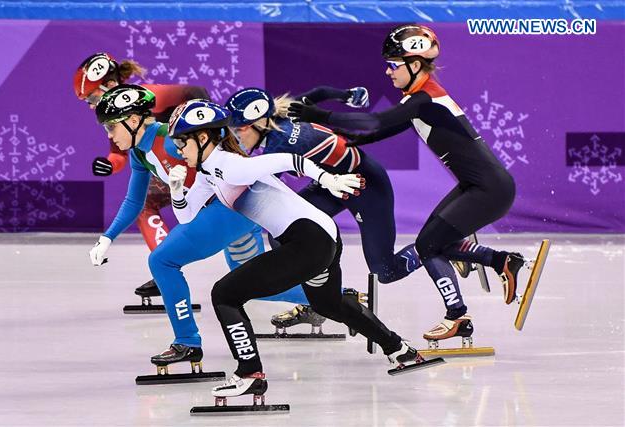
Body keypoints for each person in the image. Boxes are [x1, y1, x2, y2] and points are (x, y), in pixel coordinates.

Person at [167, 99, 439, 399]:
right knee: (328, 304)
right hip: (321, 237)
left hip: (308, 240)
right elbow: (186, 216)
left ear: (202, 138)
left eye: (181, 142)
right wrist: (176, 190)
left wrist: (328, 179)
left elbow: (289, 159)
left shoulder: (230, 165)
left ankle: (249, 373)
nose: (179, 150)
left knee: (224, 294)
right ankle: (400, 349)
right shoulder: (208, 173)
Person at [286, 24, 526, 342]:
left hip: (488, 190)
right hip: (477, 186)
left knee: (427, 245)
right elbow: (370, 133)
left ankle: (457, 316)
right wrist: (325, 136)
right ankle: (500, 261)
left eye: (393, 65)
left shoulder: (426, 99)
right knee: (433, 243)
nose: (388, 71)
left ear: (414, 64)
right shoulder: (416, 100)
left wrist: (320, 115)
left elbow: (374, 121)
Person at [87, 85, 276, 371]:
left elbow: (224, 148)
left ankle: (187, 341)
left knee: (162, 260)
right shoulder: (140, 153)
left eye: (111, 127)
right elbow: (134, 200)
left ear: (134, 120)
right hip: (234, 210)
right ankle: (335, 295)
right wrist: (107, 237)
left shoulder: (169, 139)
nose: (109, 136)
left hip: (230, 207)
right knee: (258, 284)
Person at [225, 86, 425, 332]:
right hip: (332, 184)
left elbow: (250, 188)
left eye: (239, 129)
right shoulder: (283, 113)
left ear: (259, 123)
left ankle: (435, 246)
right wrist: (347, 95)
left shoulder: (280, 144)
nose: (237, 137)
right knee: (286, 236)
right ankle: (315, 302)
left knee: (386, 270)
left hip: (365, 186)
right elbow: (319, 93)